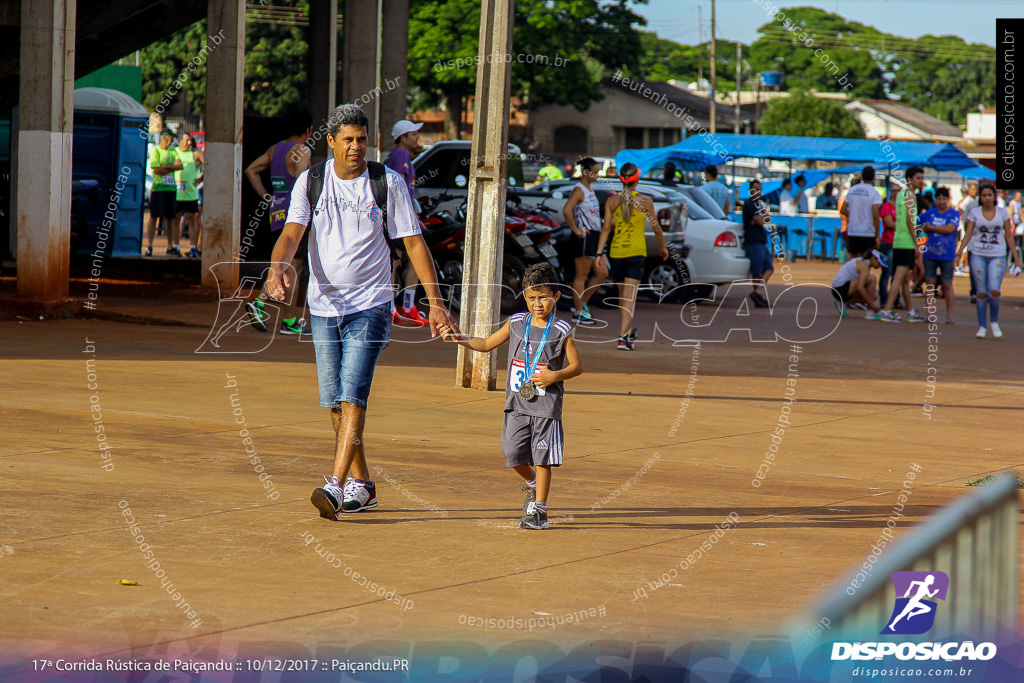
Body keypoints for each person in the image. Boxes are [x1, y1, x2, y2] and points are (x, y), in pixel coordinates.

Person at [265, 104, 459, 519]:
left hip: (371, 305)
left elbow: (412, 244)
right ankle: (363, 485)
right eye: (348, 140)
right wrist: (276, 268)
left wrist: (437, 305)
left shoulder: (386, 183)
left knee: (353, 395)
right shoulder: (310, 182)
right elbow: (291, 233)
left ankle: (334, 485)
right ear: (331, 141)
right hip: (323, 307)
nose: (356, 147)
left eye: (362, 139)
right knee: (336, 402)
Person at [445, 263, 582, 530]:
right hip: (517, 405)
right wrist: (460, 338)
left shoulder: (562, 330)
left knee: (542, 459)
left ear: (556, 296)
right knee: (513, 454)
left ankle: (539, 511)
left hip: (546, 407)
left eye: (543, 297)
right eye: (531, 298)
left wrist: (554, 376)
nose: (537, 303)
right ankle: (531, 484)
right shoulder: (517, 323)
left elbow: (577, 366)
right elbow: (485, 344)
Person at [245, 111, 313, 335]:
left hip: (276, 212)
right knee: (294, 266)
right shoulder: (302, 151)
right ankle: (270, 309)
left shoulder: (275, 150)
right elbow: (304, 183)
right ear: (307, 131)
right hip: (295, 215)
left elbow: (251, 170)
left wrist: (267, 196)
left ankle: (285, 317)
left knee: (285, 264)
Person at [596, 163, 668, 350]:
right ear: (637, 179)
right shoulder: (645, 201)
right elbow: (656, 228)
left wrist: (599, 253)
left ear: (621, 179)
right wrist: (663, 247)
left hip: (616, 253)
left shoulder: (612, 202)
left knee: (623, 297)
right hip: (636, 253)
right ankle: (623, 338)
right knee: (629, 297)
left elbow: (605, 229)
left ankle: (627, 333)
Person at [956, 183, 1024, 338]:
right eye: (984, 195)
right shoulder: (974, 213)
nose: (987, 198)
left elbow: (1008, 235)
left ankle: (993, 321)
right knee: (980, 292)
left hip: (997, 254)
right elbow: (968, 234)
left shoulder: (1003, 213)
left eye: (989, 195)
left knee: (994, 290)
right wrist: (959, 253)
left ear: (994, 197)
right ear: (980, 197)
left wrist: (1016, 258)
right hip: (978, 254)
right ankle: (981, 326)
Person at [385, 119, 430, 326]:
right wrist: (410, 215)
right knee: (405, 260)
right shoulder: (401, 155)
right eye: (413, 135)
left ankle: (398, 306)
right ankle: (402, 306)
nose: (417, 138)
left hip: (399, 218)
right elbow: (399, 189)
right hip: (399, 219)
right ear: (403, 138)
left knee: (399, 260)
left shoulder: (401, 155)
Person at [562, 157, 608, 325]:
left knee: (603, 272)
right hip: (584, 237)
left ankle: (582, 304)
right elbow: (567, 210)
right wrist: (576, 229)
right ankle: (579, 312)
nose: (597, 176)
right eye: (594, 173)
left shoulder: (588, 188)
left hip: (594, 236)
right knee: (582, 275)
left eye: (597, 172)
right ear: (585, 172)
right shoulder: (579, 189)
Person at [879, 168, 926, 323]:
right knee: (899, 278)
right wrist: (917, 243)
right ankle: (887, 310)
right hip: (906, 242)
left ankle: (910, 311)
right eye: (918, 178)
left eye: (921, 178)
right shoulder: (910, 196)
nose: (921, 180)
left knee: (905, 279)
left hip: (898, 241)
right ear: (909, 179)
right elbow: (909, 221)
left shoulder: (900, 194)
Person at [918, 187, 959, 324]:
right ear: (936, 199)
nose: (941, 201)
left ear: (948, 200)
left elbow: (949, 229)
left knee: (947, 285)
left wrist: (931, 228)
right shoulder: (929, 214)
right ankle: (930, 313)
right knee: (930, 284)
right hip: (930, 253)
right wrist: (920, 240)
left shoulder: (954, 213)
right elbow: (917, 224)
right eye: (939, 198)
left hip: (947, 254)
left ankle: (950, 315)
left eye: (944, 199)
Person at [145, 129, 183, 257]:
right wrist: (171, 168)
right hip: (158, 188)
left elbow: (180, 166)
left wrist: (165, 167)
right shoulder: (156, 150)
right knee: (154, 216)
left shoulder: (173, 150)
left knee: (170, 218)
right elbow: (156, 170)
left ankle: (170, 245)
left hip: (171, 188)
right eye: (171, 138)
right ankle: (149, 245)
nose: (173, 141)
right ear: (165, 137)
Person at [742, 178, 773, 308]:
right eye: (756, 190)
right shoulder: (749, 204)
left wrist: (760, 219)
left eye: (760, 190)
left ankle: (757, 292)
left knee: (769, 269)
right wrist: (760, 220)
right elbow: (761, 221)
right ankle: (758, 295)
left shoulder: (759, 205)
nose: (758, 193)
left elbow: (767, 218)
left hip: (760, 240)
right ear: (750, 190)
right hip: (753, 241)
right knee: (757, 271)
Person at [174, 132, 204, 259]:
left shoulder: (195, 153)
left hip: (191, 193)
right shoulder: (175, 152)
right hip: (176, 193)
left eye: (190, 140)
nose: (189, 142)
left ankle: (193, 247)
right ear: (180, 141)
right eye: (187, 140)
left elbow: (210, 165)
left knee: (192, 219)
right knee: (175, 219)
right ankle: (175, 246)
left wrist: (201, 178)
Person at [840, 165, 882, 257]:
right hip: (867, 231)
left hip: (853, 230)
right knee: (865, 259)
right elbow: (875, 215)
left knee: (852, 257)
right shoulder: (874, 192)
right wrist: (877, 235)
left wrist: (853, 215)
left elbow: (843, 209)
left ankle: (849, 272)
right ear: (874, 177)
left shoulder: (852, 190)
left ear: (862, 176)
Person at [831, 249, 885, 318]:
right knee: (872, 278)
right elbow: (860, 288)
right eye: (879, 263)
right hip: (840, 289)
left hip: (839, 289)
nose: (880, 266)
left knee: (873, 297)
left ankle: (842, 302)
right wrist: (873, 305)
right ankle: (871, 312)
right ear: (873, 257)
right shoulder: (864, 265)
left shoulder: (864, 262)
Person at [877, 189, 897, 305]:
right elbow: (889, 223)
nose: (895, 193)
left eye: (898, 191)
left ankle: (895, 299)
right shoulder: (886, 206)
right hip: (888, 243)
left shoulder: (903, 207)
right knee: (887, 273)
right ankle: (884, 299)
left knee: (897, 274)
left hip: (899, 244)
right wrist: (904, 224)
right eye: (893, 191)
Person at [838, 174, 860, 254]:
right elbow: (842, 211)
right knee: (851, 252)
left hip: (856, 228)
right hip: (848, 227)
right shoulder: (846, 196)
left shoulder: (858, 196)